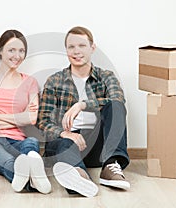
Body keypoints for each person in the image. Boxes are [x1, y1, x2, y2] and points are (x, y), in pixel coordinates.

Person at [37, 26, 130, 197]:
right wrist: (65, 134)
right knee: (63, 143)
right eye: (71, 47)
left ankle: (110, 166)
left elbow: (118, 101)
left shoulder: (106, 76)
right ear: (66, 50)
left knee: (116, 107)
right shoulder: (55, 81)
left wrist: (83, 104)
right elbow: (43, 120)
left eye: (82, 45)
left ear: (92, 48)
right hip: (66, 143)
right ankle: (79, 176)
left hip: (97, 147)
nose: (76, 51)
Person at [0, 29, 51, 194]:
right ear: (0, 51)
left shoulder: (30, 82)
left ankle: (29, 173)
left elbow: (31, 118)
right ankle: (35, 179)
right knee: (8, 161)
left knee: (31, 143)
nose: (17, 55)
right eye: (11, 50)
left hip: (18, 141)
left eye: (21, 51)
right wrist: (17, 118)